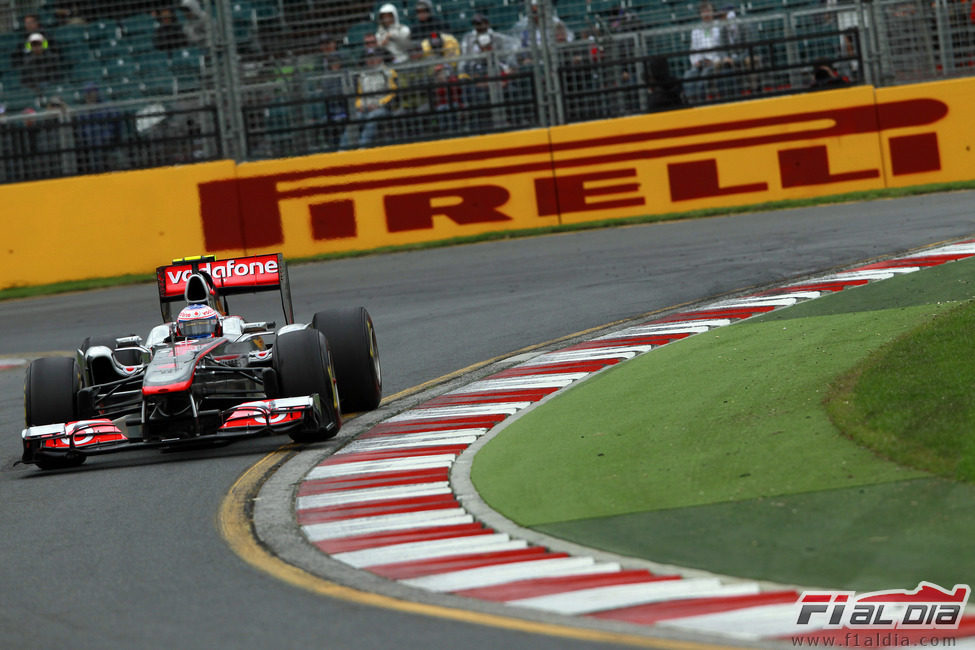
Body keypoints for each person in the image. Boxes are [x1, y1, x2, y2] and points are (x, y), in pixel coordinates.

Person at [340, 47, 398, 149]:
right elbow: (358, 95)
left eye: (374, 57)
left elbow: (393, 93)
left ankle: (362, 148)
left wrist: (378, 104)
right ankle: (343, 149)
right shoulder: (361, 74)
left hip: (382, 107)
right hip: (364, 107)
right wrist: (359, 106)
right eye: (368, 58)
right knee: (354, 118)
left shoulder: (389, 72)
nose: (371, 60)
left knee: (373, 117)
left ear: (380, 58)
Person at [682, 1, 734, 103]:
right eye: (703, 11)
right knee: (689, 75)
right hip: (701, 62)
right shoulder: (696, 30)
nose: (706, 14)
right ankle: (691, 103)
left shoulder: (720, 26)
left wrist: (716, 60)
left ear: (713, 12)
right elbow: (693, 50)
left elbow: (726, 46)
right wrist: (696, 62)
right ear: (700, 14)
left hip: (716, 61)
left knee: (704, 77)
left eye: (708, 11)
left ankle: (702, 103)